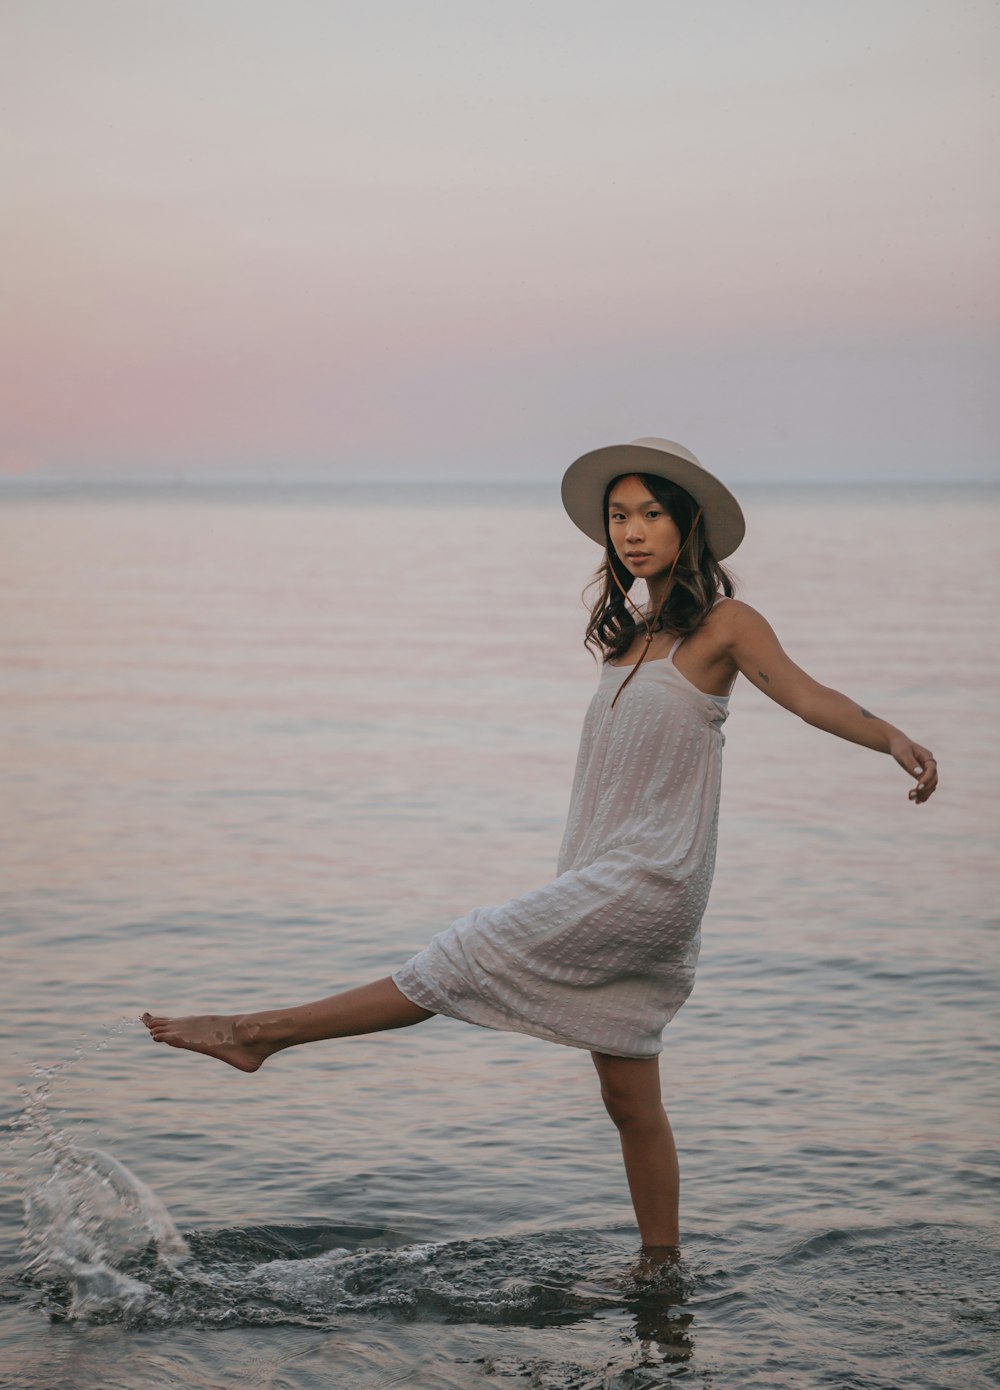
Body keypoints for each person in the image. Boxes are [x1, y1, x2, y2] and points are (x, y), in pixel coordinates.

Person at [142, 437, 938, 1252]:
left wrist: (890, 739)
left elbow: (807, 696)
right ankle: (661, 1272)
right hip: (603, 873)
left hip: (652, 880)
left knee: (464, 948)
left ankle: (260, 1034)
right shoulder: (628, 634)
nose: (632, 531)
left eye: (651, 514)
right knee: (630, 1101)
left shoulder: (726, 626)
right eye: (619, 516)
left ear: (688, 523)